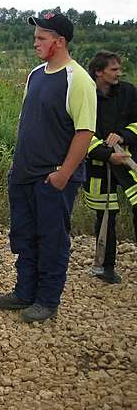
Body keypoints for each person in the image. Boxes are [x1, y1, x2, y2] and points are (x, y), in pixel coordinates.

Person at [0, 13, 97, 323]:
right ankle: (25, 291)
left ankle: (47, 300)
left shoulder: (78, 80)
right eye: (35, 36)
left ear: (59, 42)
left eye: (42, 38)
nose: (35, 42)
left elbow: (85, 132)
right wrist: (16, 164)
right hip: (24, 174)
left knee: (52, 239)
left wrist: (63, 174)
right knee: (23, 235)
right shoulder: (36, 74)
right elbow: (29, 122)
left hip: (52, 177)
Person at [84, 51, 137, 284]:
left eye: (118, 69)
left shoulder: (128, 92)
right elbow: (79, 133)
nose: (119, 73)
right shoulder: (85, 95)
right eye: (114, 69)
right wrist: (106, 154)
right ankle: (106, 267)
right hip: (99, 165)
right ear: (99, 72)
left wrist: (124, 136)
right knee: (106, 214)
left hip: (128, 162)